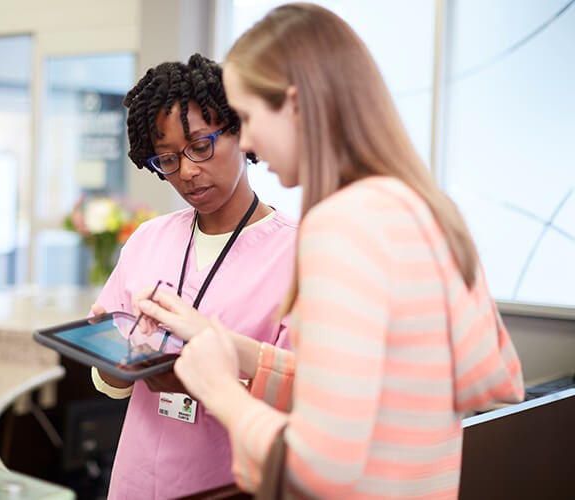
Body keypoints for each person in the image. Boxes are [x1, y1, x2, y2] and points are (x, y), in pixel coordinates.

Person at [136, 4, 525, 498]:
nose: (248, 139)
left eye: (251, 117)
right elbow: (488, 378)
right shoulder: (423, 210)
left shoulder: (341, 226)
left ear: (296, 104)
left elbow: (317, 467)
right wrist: (225, 343)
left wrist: (216, 388)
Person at [89, 53, 298, 499]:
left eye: (200, 146)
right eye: (165, 159)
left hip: (232, 482)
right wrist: (118, 364)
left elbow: (307, 400)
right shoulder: (149, 239)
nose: (186, 172)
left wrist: (206, 380)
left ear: (240, 131)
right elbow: (107, 383)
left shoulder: (299, 254)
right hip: (137, 480)